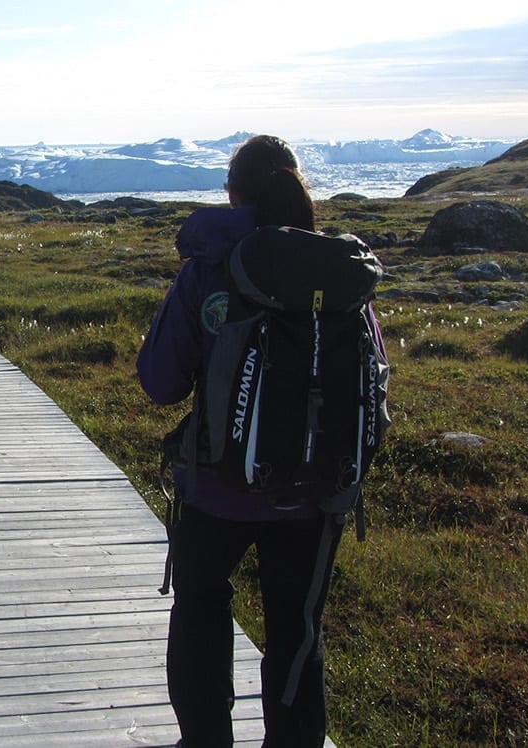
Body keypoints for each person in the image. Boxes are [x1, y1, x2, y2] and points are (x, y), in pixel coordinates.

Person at [137, 135, 381, 747]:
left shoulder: (210, 268)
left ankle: (206, 741)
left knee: (201, 608)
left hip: (217, 485)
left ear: (232, 194)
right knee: (297, 631)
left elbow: (161, 382)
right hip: (315, 491)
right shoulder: (340, 273)